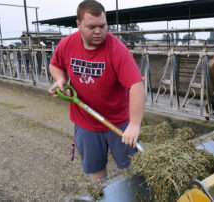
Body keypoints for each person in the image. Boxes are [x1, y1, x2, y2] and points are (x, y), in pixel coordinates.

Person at [48, 0, 144, 183]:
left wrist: (134, 124)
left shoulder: (117, 49)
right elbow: (55, 65)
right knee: (96, 172)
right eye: (91, 27)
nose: (98, 31)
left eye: (102, 26)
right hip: (85, 122)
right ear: (78, 24)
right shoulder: (67, 44)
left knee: (133, 170)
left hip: (119, 123)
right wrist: (60, 79)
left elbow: (136, 85)